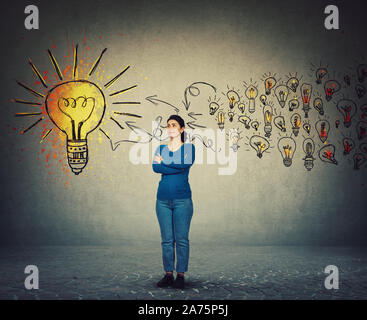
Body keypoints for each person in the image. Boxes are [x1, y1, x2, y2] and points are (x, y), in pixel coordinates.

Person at [152, 115, 195, 289]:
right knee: (167, 240)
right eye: (168, 125)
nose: (170, 127)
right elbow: (156, 167)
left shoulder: (188, 148)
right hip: (162, 200)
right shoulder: (161, 147)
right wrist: (175, 165)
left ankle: (181, 275)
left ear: (181, 129)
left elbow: (185, 163)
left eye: (174, 125)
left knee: (182, 239)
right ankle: (168, 274)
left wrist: (166, 163)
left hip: (182, 200)